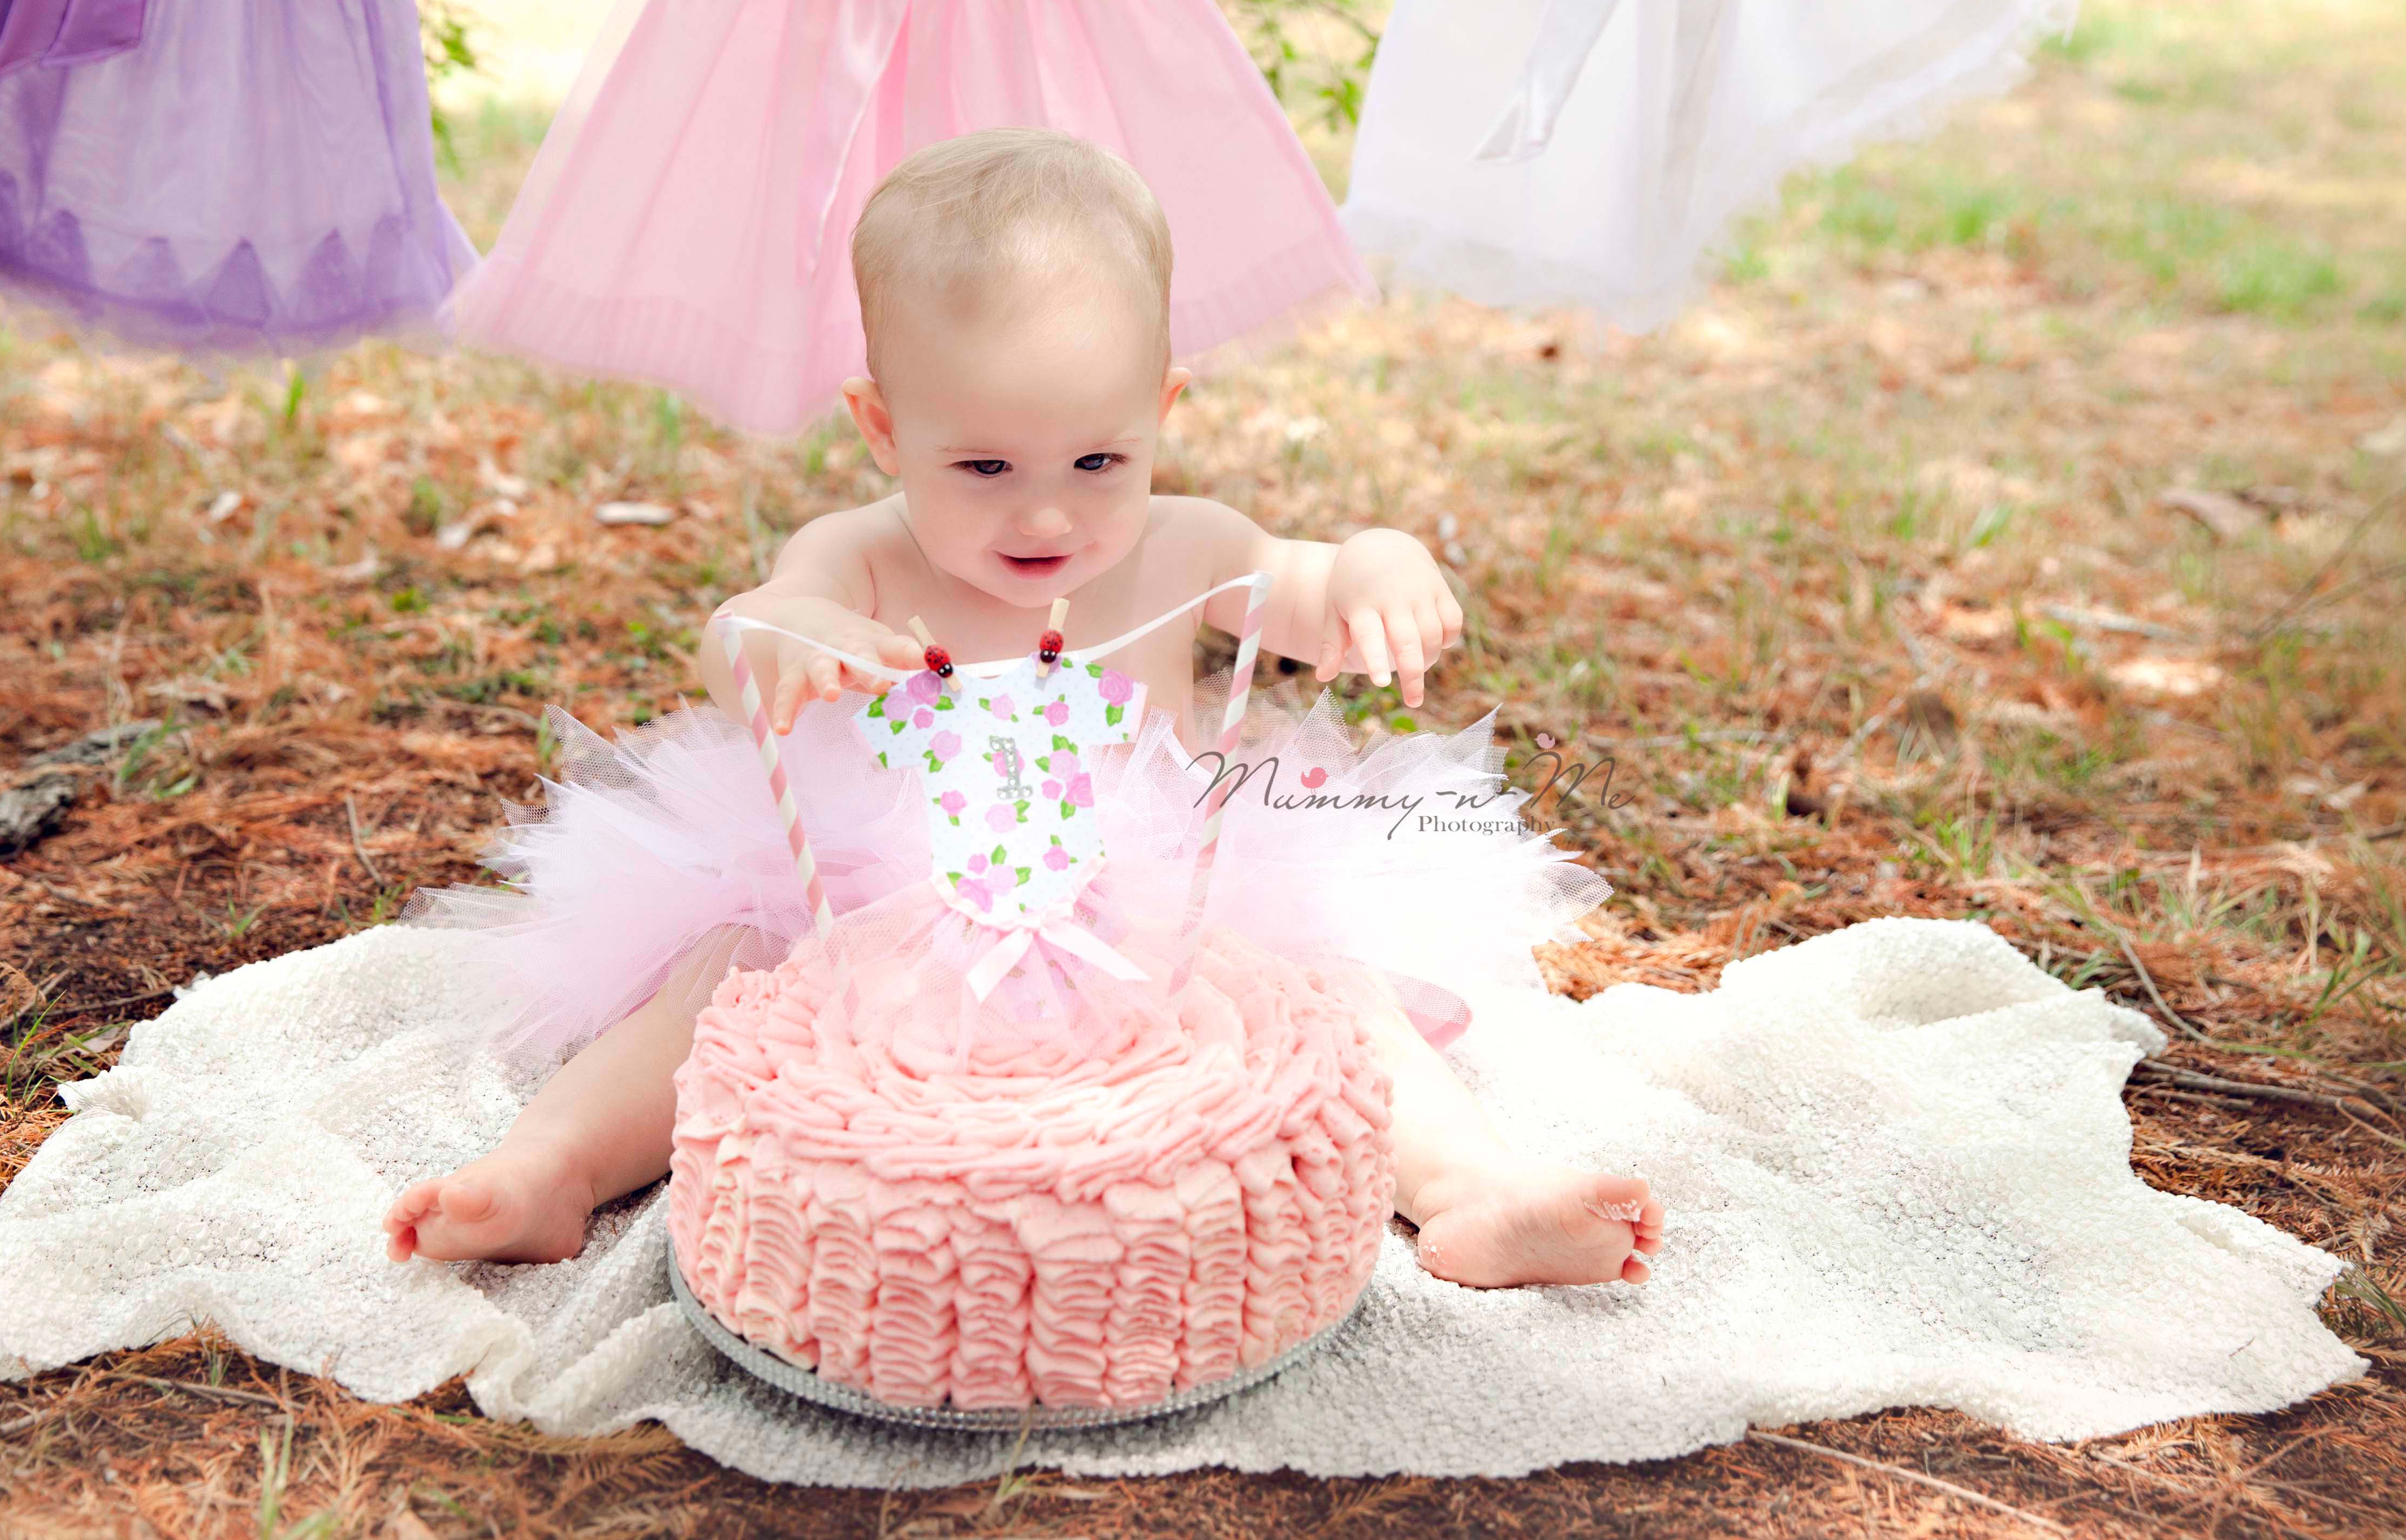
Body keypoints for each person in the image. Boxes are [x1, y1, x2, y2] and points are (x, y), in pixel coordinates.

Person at [383, 129, 1663, 1289]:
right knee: (720, 987)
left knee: (1324, 989)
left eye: (1098, 461)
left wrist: (1380, 563)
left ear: (1162, 414)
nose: (1046, 514)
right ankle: (552, 1165)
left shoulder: (1185, 543)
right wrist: (800, 634)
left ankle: (1471, 1192)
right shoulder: (866, 553)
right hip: (884, 889)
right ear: (886, 430)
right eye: (984, 467)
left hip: (1157, 901)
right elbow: (744, 632)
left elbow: (1315, 589)